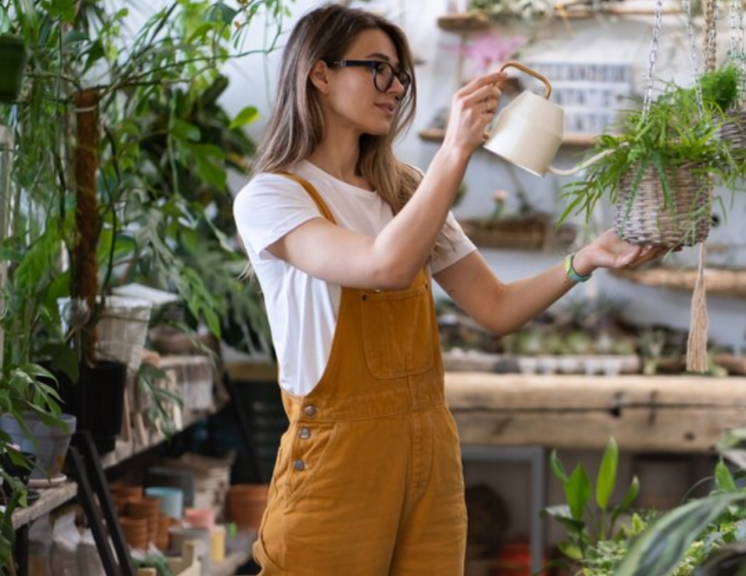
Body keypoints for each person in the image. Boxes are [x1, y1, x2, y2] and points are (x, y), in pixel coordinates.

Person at [232, 4, 667, 575]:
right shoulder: (272, 197)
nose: (396, 88)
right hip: (338, 460)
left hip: (430, 452)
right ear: (320, 73)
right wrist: (456, 150)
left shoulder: (405, 189)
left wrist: (586, 259)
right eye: (379, 69)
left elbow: (497, 307)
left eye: (402, 75)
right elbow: (383, 264)